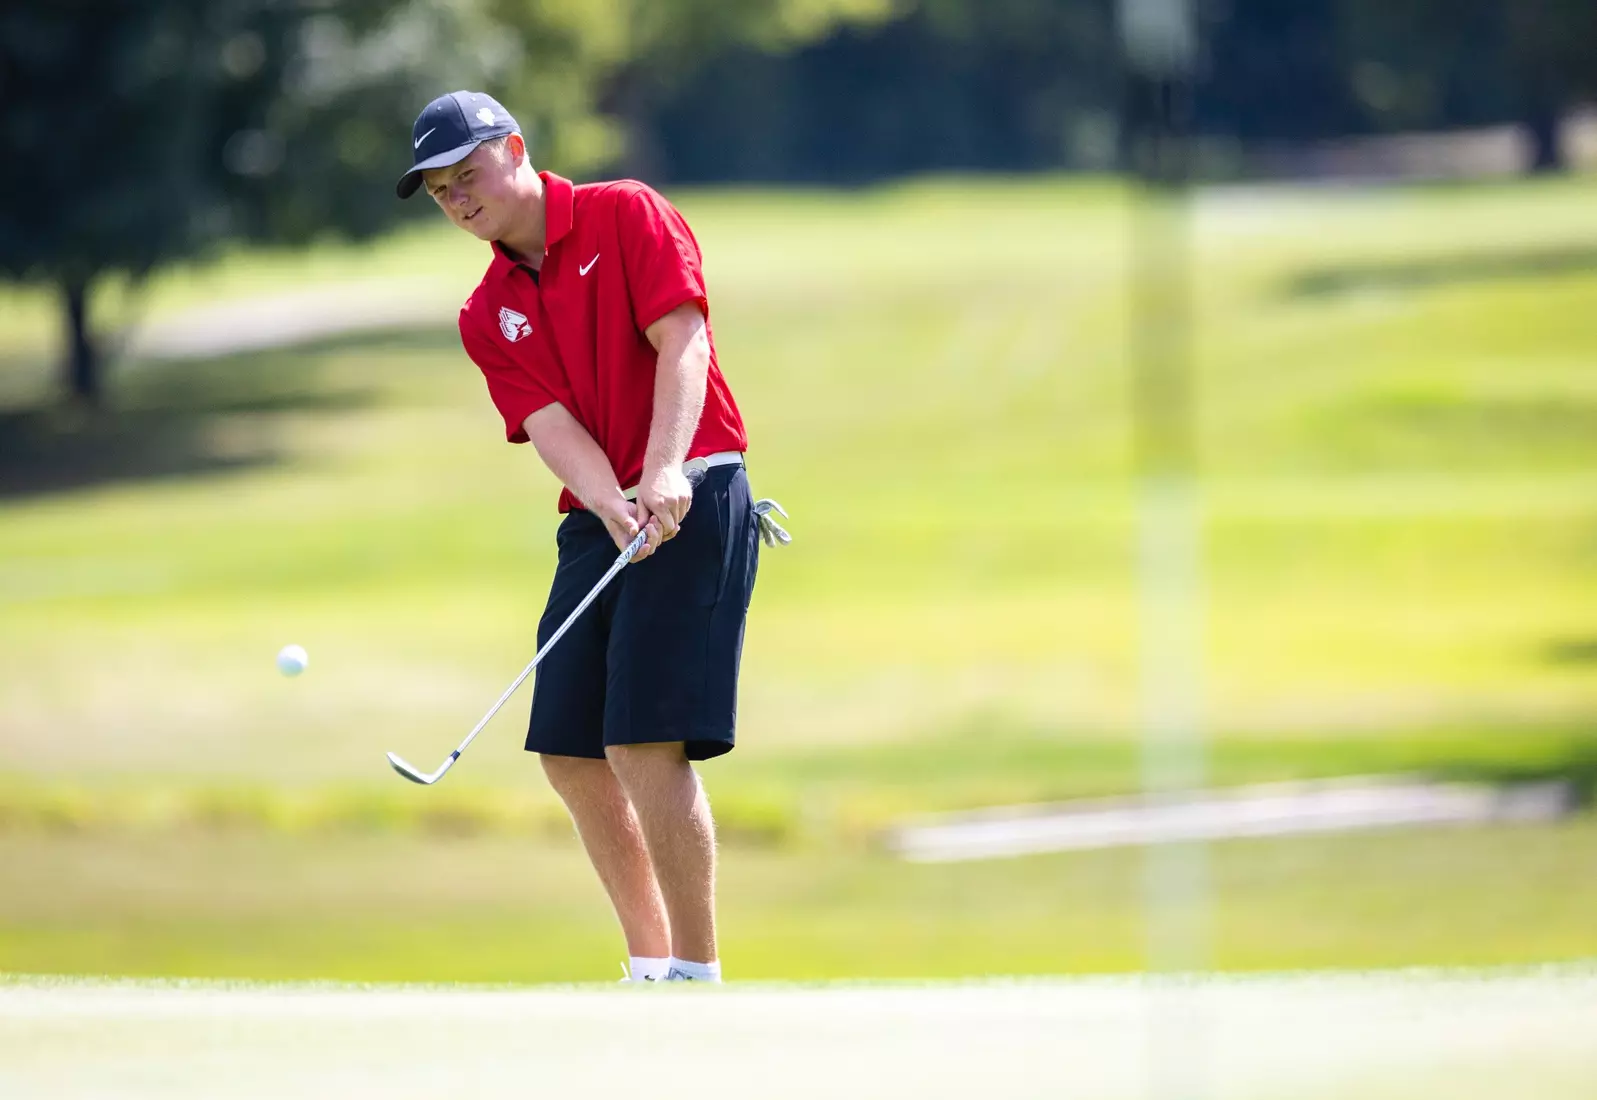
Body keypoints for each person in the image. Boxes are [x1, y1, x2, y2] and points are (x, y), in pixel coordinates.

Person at [396, 90, 786, 983]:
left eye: (468, 176)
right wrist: (611, 499)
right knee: (569, 749)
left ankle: (697, 973)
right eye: (440, 193)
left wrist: (663, 470)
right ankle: (650, 969)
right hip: (603, 512)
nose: (459, 201)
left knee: (643, 742)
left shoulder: (625, 214)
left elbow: (683, 339)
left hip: (698, 488)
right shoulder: (485, 308)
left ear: (516, 149)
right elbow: (546, 420)